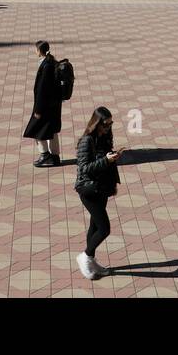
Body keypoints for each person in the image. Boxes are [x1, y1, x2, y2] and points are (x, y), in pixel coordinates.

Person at [74, 106, 123, 280]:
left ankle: (91, 261)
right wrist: (106, 160)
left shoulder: (105, 137)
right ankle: (85, 256)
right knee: (104, 229)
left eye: (110, 124)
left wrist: (112, 159)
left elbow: (107, 162)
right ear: (96, 123)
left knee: (94, 226)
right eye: (105, 124)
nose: (108, 127)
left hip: (102, 188)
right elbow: (85, 168)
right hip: (89, 189)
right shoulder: (87, 141)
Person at [23, 40, 63, 167]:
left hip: (45, 107)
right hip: (54, 105)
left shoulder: (46, 66)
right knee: (52, 130)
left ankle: (45, 155)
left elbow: (42, 90)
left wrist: (38, 110)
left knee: (35, 129)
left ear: (39, 51)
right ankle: (55, 157)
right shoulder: (51, 62)